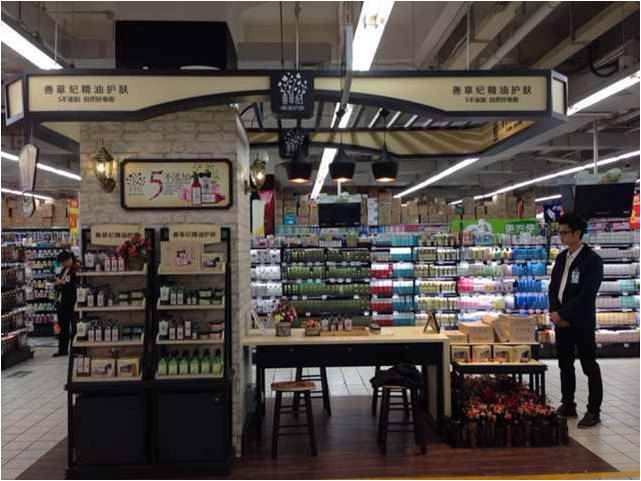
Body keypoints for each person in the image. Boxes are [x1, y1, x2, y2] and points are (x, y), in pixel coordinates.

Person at [548, 213, 604, 428]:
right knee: (565, 364)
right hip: (561, 322)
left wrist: (563, 314)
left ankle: (593, 410)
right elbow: (554, 287)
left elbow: (587, 294)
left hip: (581, 322)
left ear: (577, 233)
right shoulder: (562, 257)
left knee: (589, 365)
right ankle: (568, 404)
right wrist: (555, 312)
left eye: (565, 232)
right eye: (560, 233)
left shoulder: (592, 260)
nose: (561, 236)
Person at [53, 251, 78, 357]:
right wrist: (57, 284)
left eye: (63, 262)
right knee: (63, 327)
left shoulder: (75, 270)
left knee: (74, 327)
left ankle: (76, 350)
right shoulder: (64, 270)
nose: (63, 265)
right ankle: (62, 350)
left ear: (69, 259)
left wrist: (62, 282)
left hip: (71, 303)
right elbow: (61, 283)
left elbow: (73, 286)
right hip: (61, 302)